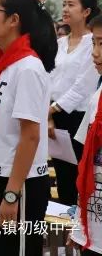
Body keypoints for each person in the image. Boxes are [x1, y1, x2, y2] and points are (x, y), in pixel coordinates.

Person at [0, 0, 57, 255]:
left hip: (19, 183)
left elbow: (30, 136)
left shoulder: (28, 68)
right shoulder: (2, 63)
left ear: (13, 20)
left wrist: (11, 194)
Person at [50, 0, 101, 205]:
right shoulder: (60, 43)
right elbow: (49, 78)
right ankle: (66, 226)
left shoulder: (94, 42)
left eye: (71, 5)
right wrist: (49, 114)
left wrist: (51, 109)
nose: (65, 9)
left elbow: (82, 86)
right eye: (64, 4)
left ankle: (80, 225)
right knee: (63, 175)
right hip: (55, 117)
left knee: (81, 174)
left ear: (86, 11)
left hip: (79, 118)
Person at [69, 14, 102, 255]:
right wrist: (81, 225)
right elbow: (86, 163)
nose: (95, 52)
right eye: (94, 43)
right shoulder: (96, 97)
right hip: (93, 228)